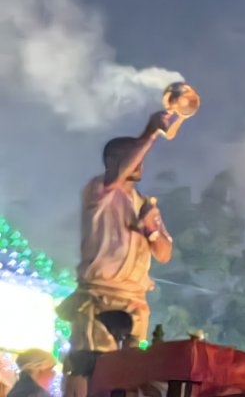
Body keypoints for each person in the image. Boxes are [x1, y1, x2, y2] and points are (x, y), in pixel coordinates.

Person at [58, 111, 176, 397]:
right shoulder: (99, 191)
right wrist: (150, 132)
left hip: (135, 301)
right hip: (100, 297)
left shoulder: (146, 204)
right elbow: (119, 174)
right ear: (113, 162)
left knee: (127, 378)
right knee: (91, 368)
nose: (140, 162)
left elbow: (164, 254)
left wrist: (152, 230)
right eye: (133, 156)